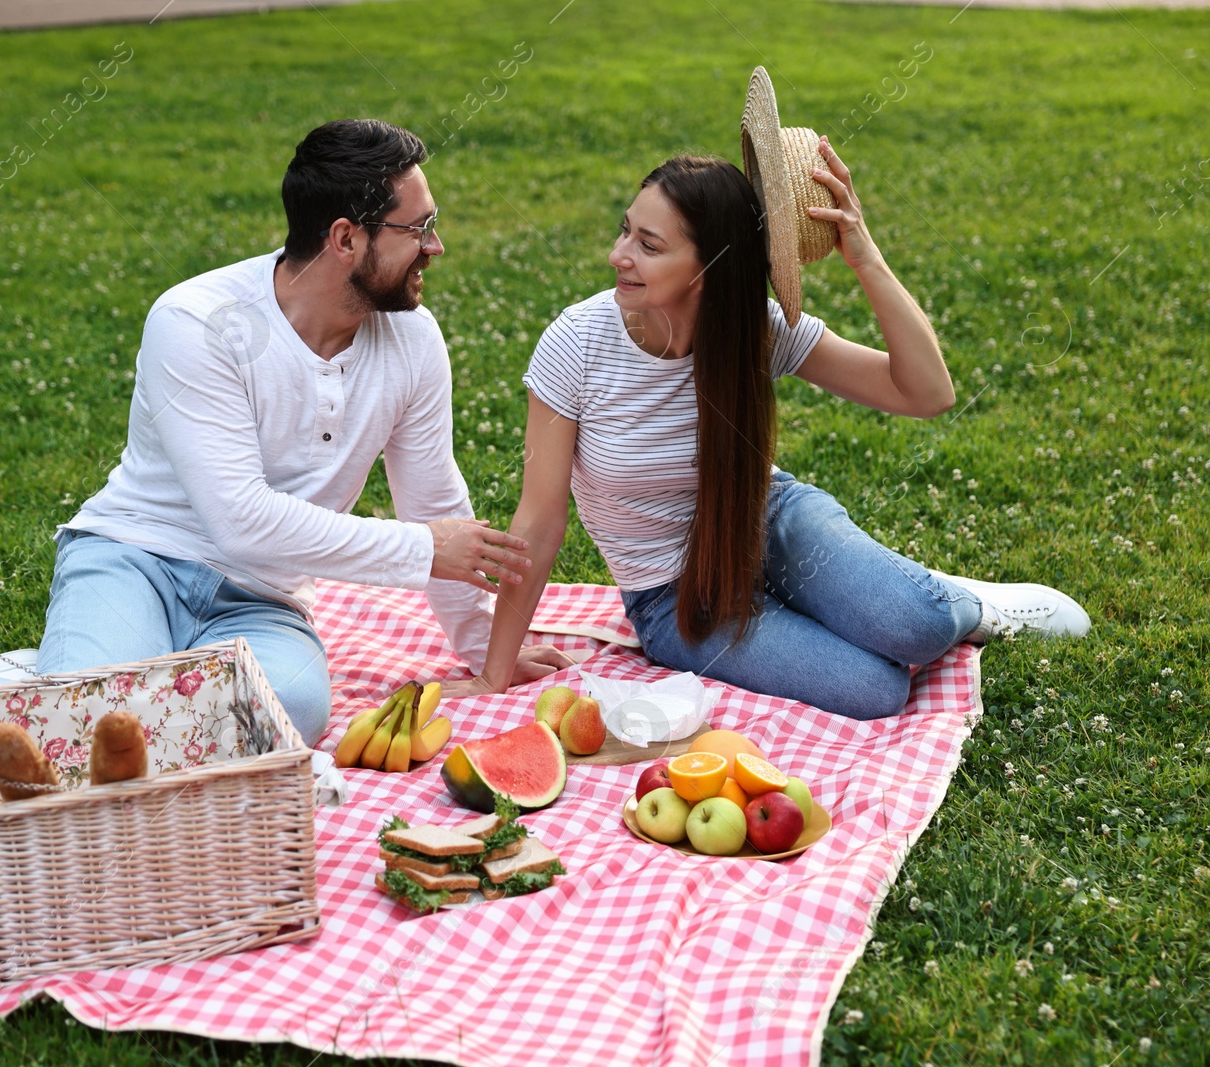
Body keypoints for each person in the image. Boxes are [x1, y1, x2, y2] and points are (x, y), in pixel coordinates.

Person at [0, 119, 572, 838]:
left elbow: (435, 503)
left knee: (291, 706)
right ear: (345, 237)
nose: (437, 247)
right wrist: (425, 551)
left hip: (258, 602)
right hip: (135, 557)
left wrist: (477, 642)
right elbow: (246, 520)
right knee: (74, 726)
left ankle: (57, 669)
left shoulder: (412, 340)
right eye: (420, 228)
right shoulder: (200, 322)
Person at [454, 90, 1087, 719]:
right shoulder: (577, 342)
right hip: (672, 598)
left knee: (916, 629)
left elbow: (926, 393)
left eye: (649, 245)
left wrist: (862, 252)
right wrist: (495, 669)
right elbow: (539, 521)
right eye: (626, 230)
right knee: (876, 691)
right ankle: (884, 597)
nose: (617, 255)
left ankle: (961, 606)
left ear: (709, 268)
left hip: (769, 524)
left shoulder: (756, 329)